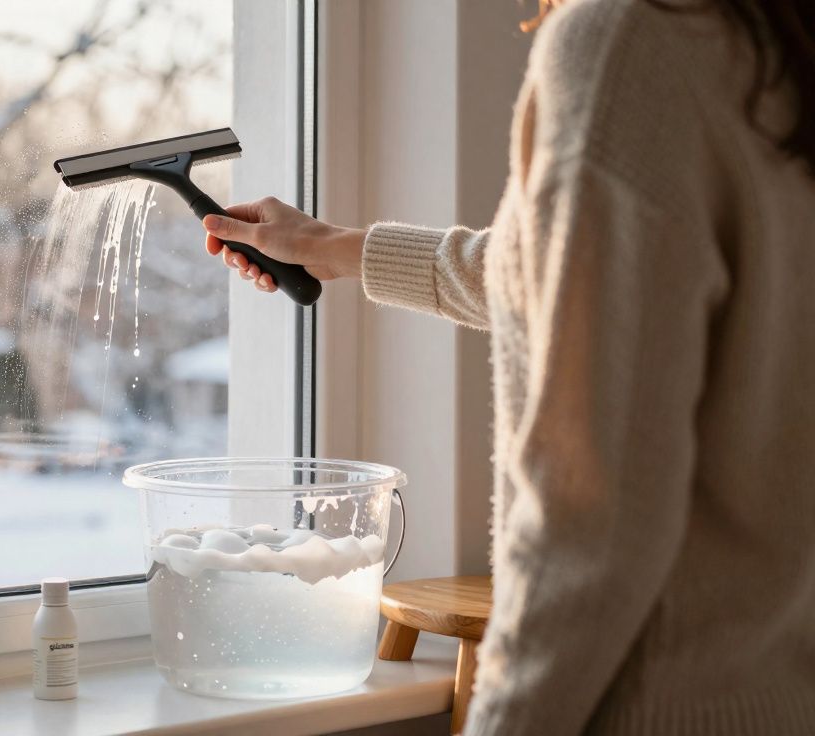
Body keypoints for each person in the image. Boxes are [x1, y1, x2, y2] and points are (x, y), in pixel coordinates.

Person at [203, 0, 815, 733]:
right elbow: (573, 277)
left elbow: (588, 519)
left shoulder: (626, 43)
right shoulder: (768, 44)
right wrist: (336, 247)